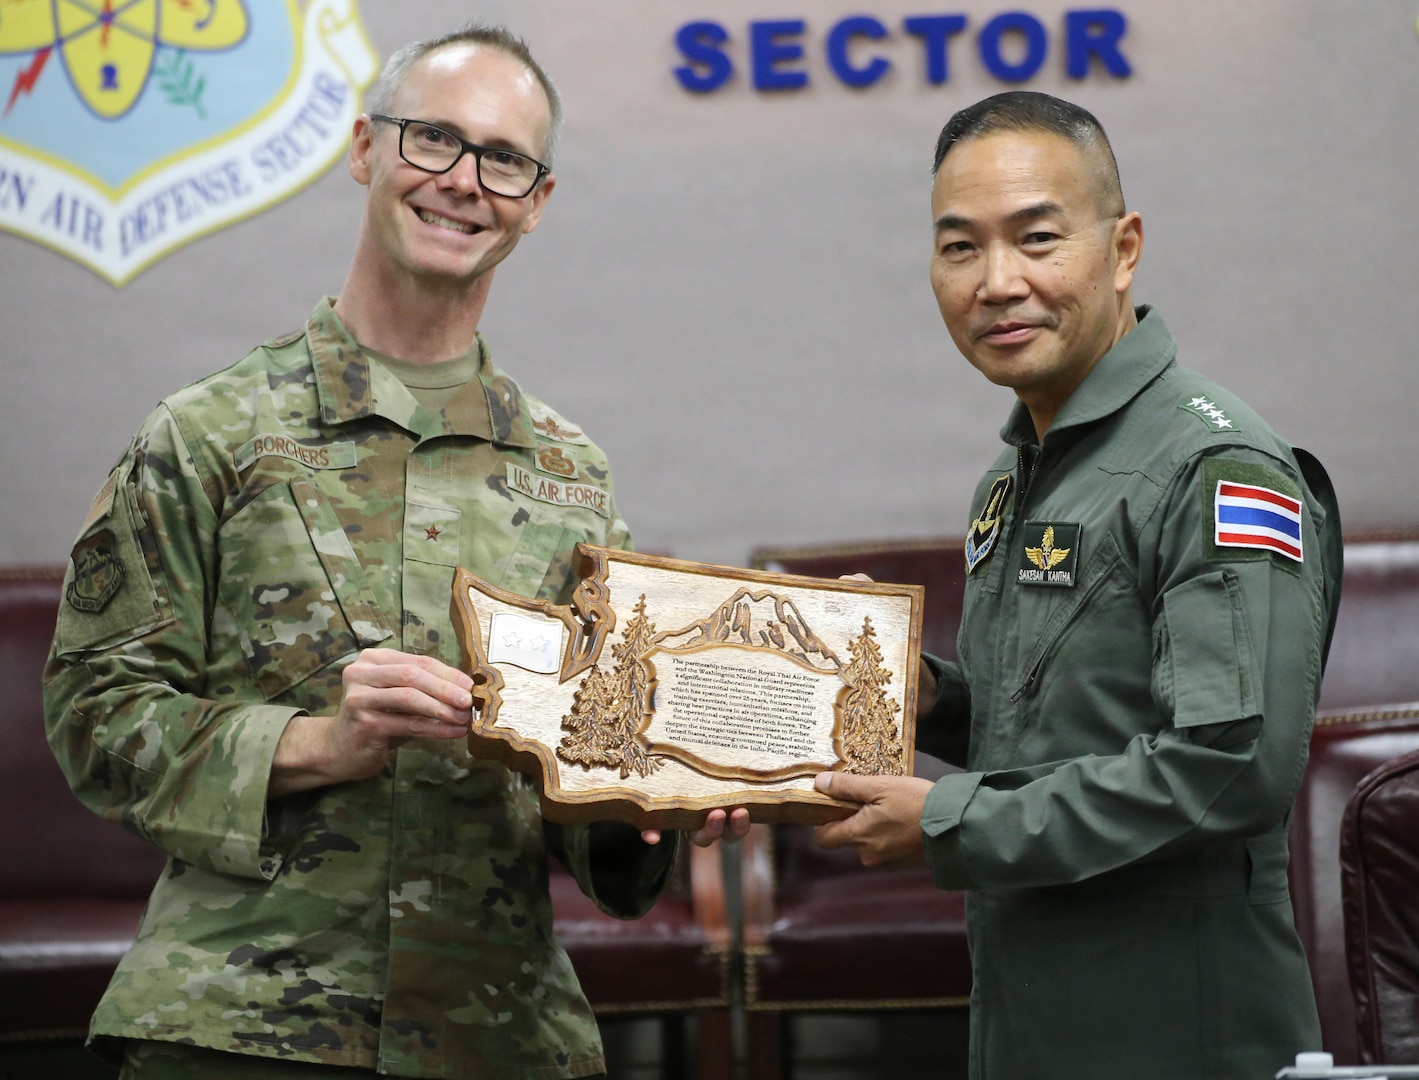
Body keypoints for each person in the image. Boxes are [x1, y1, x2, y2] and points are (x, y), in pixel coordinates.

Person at [44, 24, 747, 1080]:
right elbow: (94, 716)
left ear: (537, 201)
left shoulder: (572, 474)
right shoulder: (210, 435)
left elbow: (588, 783)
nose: (465, 182)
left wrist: (663, 801)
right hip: (241, 1018)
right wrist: (320, 744)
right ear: (367, 148)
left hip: (498, 1028)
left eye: (504, 159)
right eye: (434, 141)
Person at [814, 91, 1343, 1079]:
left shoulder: (1212, 467)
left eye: (1037, 239)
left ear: (1124, 247)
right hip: (1028, 1012)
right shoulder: (1019, 474)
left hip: (1181, 1029)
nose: (998, 282)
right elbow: (1064, 727)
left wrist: (952, 819)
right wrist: (923, 700)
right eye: (960, 248)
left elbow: (1228, 766)